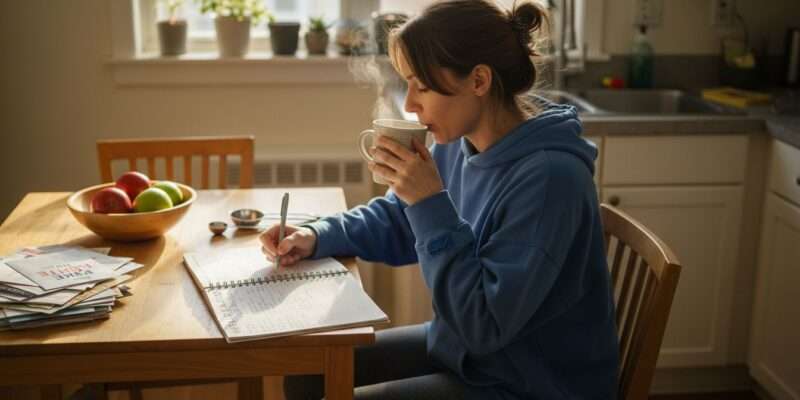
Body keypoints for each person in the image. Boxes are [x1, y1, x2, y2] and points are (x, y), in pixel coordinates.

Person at [260, 1, 619, 398]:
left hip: (530, 381)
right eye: (408, 84)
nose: (411, 105)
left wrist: (429, 202)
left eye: (423, 86)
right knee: (309, 368)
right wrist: (317, 234)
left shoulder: (550, 180)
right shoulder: (463, 142)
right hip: (472, 353)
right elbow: (401, 220)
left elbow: (483, 325)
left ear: (478, 81)